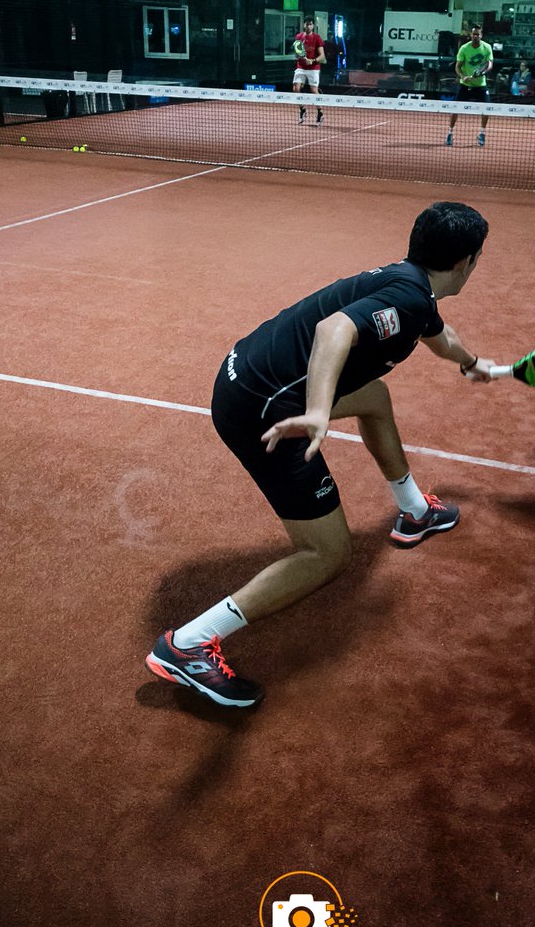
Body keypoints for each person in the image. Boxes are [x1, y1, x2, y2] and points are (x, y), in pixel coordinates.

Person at [146, 202, 496, 708]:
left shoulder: (411, 285)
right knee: (327, 554)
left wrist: (472, 363)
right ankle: (190, 644)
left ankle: (416, 512)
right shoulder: (409, 299)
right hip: (265, 411)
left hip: (244, 377)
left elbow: (441, 338)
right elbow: (335, 329)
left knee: (373, 397)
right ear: (466, 263)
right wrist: (316, 410)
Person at [446, 24, 493, 148]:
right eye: (474, 34)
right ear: (470, 35)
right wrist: (463, 77)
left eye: (478, 34)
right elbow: (457, 66)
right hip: (465, 84)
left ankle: (482, 133)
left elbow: (489, 64)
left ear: (481, 35)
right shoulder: (464, 48)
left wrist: (483, 72)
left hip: (480, 85)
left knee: (486, 109)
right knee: (455, 110)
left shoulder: (487, 47)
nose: (476, 36)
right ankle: (450, 133)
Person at [292, 16, 326, 125]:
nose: (308, 25)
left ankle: (320, 112)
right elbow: (297, 52)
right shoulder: (299, 36)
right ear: (304, 25)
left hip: (313, 68)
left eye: (310, 24)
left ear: (313, 26)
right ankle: (302, 109)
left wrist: (312, 61)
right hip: (301, 67)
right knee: (296, 89)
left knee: (313, 90)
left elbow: (322, 56)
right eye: (307, 24)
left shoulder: (317, 38)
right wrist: (298, 56)